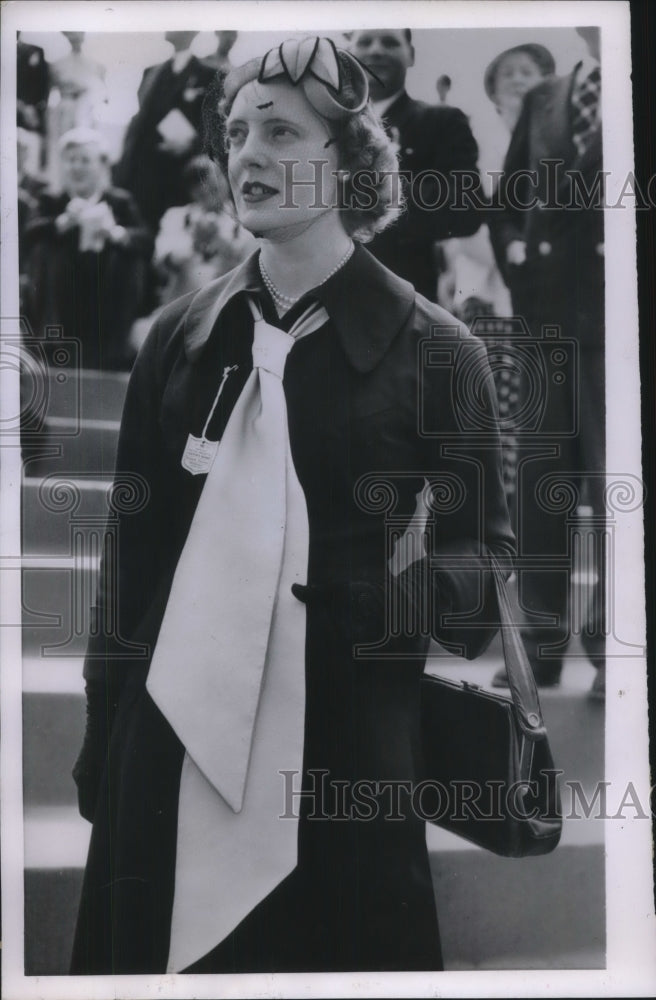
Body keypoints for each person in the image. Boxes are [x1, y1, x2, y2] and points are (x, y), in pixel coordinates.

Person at [70, 37, 515, 975]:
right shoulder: (179, 339)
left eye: (283, 131)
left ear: (351, 162)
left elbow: (488, 570)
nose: (248, 155)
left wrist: (390, 595)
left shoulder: (442, 351)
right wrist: (104, 742)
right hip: (170, 750)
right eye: (237, 133)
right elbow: (130, 556)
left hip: (346, 761)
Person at [488, 29, 604, 697]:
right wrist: (521, 272)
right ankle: (538, 644)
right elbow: (506, 207)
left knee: (618, 489)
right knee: (538, 492)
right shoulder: (546, 100)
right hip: (546, 326)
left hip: (620, 331)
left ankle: (612, 653)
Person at [346, 29, 483, 301]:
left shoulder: (441, 122)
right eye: (365, 41)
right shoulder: (327, 126)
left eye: (390, 42)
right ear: (348, 55)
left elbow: (468, 209)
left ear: (412, 55)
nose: (376, 50)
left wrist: (370, 188)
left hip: (404, 298)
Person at [21, 128, 152, 371]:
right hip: (62, 291)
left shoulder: (119, 201)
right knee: (43, 250)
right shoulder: (51, 199)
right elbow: (28, 236)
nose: (77, 167)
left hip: (106, 288)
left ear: (101, 166)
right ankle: (51, 340)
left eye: (85, 160)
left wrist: (116, 232)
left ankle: (117, 346)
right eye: (71, 160)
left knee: (130, 256)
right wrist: (59, 224)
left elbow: (145, 240)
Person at [112, 31, 217, 231]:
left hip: (185, 175)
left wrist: (192, 145)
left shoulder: (208, 74)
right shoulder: (152, 73)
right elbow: (141, 125)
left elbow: (216, 125)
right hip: (149, 174)